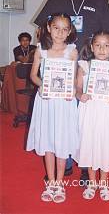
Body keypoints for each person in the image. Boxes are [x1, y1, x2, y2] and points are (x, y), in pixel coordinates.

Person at [34, 0, 109, 180]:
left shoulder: (99, 1)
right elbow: (41, 30)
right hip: (59, 65)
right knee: (62, 116)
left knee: (85, 117)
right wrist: (46, 55)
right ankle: (66, 161)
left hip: (89, 67)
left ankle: (85, 163)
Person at [26, 13, 79, 203]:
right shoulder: (41, 50)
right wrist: (42, 86)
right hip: (46, 101)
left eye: (65, 29)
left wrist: (71, 90)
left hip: (64, 103)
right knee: (48, 140)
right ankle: (50, 182)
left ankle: (60, 183)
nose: (60, 32)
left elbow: (74, 79)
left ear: (69, 31)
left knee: (62, 141)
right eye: (56, 28)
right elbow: (33, 75)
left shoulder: (72, 51)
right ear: (49, 28)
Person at [76, 30, 109, 201]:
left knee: (105, 144)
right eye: (98, 45)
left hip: (108, 111)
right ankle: (91, 183)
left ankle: (103, 183)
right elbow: (78, 88)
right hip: (90, 111)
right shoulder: (84, 66)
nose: (102, 49)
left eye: (106, 45)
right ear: (91, 47)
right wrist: (80, 95)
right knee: (90, 144)